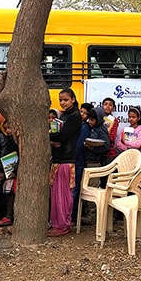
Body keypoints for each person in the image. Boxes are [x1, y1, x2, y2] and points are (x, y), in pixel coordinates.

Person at [49, 88, 82, 237]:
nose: (62, 102)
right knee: (56, 194)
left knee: (64, 195)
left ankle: (63, 225)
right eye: (61, 100)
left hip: (66, 159)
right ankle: (56, 224)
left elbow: (62, 135)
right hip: (58, 159)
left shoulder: (74, 116)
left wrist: (51, 138)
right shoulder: (63, 115)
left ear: (73, 99)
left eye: (66, 100)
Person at [71, 103, 92, 225]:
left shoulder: (84, 127)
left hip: (77, 160)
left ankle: (73, 216)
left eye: (85, 113)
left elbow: (78, 145)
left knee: (75, 189)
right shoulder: (77, 124)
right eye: (81, 111)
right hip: (75, 160)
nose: (82, 114)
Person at [0, 119, 19, 226]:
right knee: (9, 194)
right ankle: (9, 216)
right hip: (9, 171)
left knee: (13, 194)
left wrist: (15, 171)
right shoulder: (9, 140)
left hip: (16, 172)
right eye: (6, 129)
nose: (8, 131)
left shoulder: (18, 142)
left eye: (10, 128)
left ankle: (10, 216)